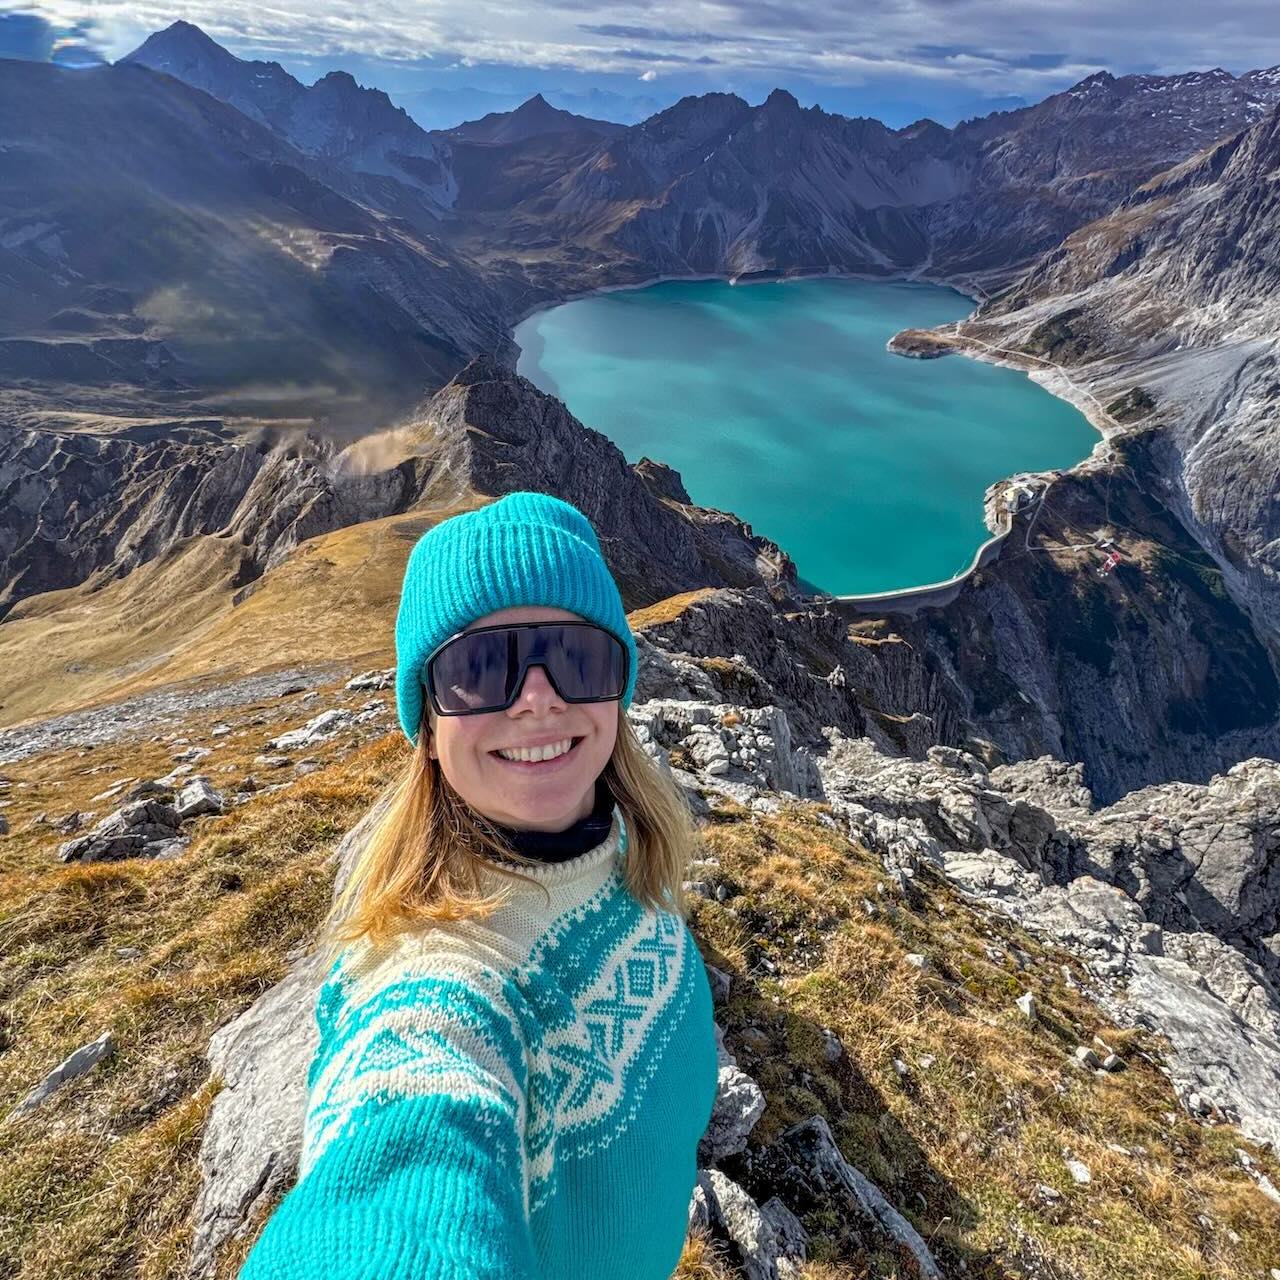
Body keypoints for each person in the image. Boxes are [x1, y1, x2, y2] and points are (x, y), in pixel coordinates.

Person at [238, 490, 720, 1280]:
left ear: (617, 692)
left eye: (576, 657)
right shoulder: (435, 985)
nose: (539, 698)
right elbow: (403, 1163)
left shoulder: (630, 844)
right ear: (426, 724)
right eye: (478, 668)